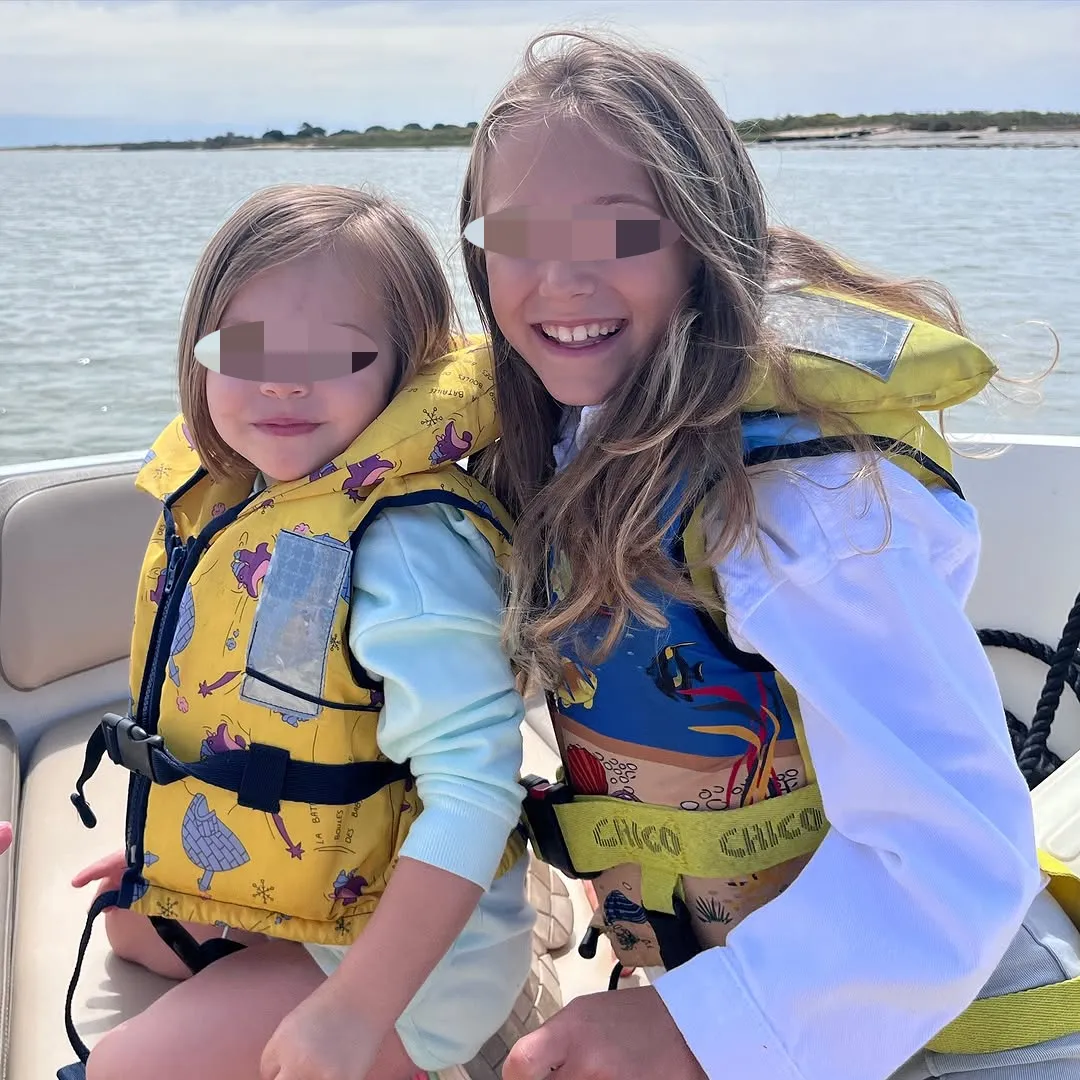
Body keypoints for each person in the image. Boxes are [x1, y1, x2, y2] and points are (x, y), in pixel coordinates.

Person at [458, 29, 1080, 1080]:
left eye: (619, 232)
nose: (561, 280)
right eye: (517, 233)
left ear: (707, 241)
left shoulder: (801, 505)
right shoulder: (568, 436)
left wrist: (692, 1029)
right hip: (740, 988)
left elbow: (953, 853)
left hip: (950, 1030)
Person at [64, 183, 534, 1080]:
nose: (283, 379)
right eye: (246, 348)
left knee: (121, 1069)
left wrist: (352, 1013)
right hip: (324, 881)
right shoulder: (256, 497)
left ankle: (416, 1046)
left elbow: (475, 795)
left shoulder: (408, 551)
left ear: (407, 369)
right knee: (128, 926)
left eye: (336, 353)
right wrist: (184, 813)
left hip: (426, 962)